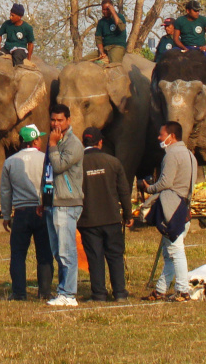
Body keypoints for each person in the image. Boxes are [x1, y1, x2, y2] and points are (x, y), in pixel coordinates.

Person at [141, 122, 197, 303]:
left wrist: (149, 188)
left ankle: (182, 291)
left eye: (161, 134)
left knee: (175, 250)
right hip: (184, 206)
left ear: (171, 136)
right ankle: (160, 290)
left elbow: (165, 183)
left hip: (172, 208)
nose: (159, 137)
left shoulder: (171, 154)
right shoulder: (190, 155)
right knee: (169, 253)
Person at [77, 127, 132, 302]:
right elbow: (124, 191)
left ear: (83, 142)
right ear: (100, 142)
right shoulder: (113, 162)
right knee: (115, 255)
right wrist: (128, 214)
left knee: (95, 257)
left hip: (88, 220)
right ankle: (120, 293)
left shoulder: (77, 164)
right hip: (111, 218)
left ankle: (99, 293)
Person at [0, 123, 54, 302]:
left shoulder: (10, 162)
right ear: (36, 140)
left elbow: (5, 191)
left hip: (21, 212)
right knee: (44, 254)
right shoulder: (45, 159)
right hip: (42, 210)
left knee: (18, 254)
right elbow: (50, 185)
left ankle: (19, 293)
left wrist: (6, 215)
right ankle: (44, 292)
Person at [45, 103, 84, 307]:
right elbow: (48, 172)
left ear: (68, 120)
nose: (56, 124)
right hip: (52, 202)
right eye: (53, 119)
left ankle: (69, 294)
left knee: (66, 250)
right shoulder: (55, 141)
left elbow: (59, 166)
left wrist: (52, 145)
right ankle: (63, 291)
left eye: (60, 120)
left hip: (67, 203)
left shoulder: (73, 144)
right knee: (57, 251)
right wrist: (44, 200)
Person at [93, 0, 128, 64]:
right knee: (84, 61)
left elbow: (121, 28)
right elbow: (98, 38)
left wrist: (113, 12)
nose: (105, 11)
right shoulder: (101, 22)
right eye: (103, 9)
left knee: (114, 64)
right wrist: (102, 52)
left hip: (117, 46)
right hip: (105, 48)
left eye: (107, 9)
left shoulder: (120, 17)